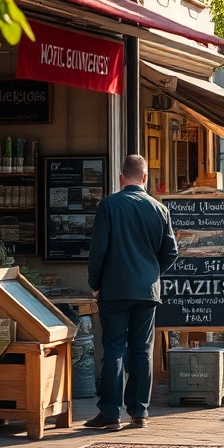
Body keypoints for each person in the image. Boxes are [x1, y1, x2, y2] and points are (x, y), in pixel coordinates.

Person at [86, 154, 178, 430]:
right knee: (142, 350)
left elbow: (98, 250)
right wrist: (152, 271)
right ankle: (139, 412)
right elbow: (171, 251)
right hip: (147, 290)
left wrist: (96, 283)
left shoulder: (109, 205)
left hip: (114, 289)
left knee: (114, 348)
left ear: (121, 177)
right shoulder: (159, 210)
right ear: (145, 178)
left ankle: (111, 413)